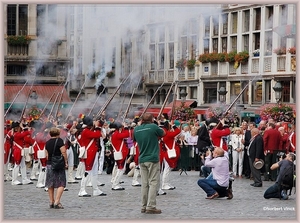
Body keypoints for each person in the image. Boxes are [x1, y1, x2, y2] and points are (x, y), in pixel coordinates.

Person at [133, 113, 166, 214]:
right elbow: (163, 133)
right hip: (152, 157)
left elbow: (135, 139)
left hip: (142, 158)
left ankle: (143, 206)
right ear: (152, 119)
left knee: (144, 184)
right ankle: (151, 206)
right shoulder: (153, 126)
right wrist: (157, 124)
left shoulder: (136, 129)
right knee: (153, 183)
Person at [44, 127, 68, 209]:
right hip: (58, 164)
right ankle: (57, 201)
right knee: (61, 183)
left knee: (50, 183)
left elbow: (46, 155)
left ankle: (51, 201)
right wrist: (66, 162)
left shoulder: (47, 142)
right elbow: (63, 152)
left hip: (50, 163)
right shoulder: (60, 141)